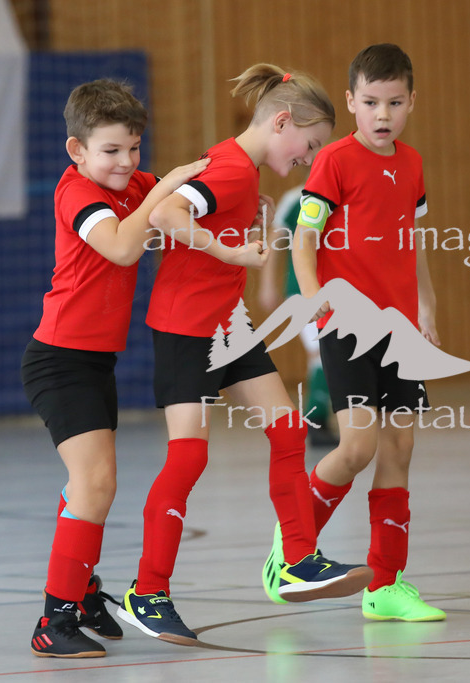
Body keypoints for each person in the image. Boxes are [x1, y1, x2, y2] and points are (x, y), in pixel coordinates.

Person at [116, 64, 374, 647]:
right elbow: (163, 215)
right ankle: (147, 592)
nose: (310, 158)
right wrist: (231, 253)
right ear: (282, 121)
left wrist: (232, 232)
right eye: (309, 145)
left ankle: (297, 561)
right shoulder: (232, 169)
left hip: (227, 324)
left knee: (287, 433)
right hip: (187, 327)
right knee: (187, 460)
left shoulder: (239, 168)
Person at [21, 79, 210, 658]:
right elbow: (125, 248)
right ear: (78, 151)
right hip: (58, 363)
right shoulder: (77, 193)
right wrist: (169, 186)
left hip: (96, 363)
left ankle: (81, 591)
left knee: (93, 486)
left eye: (134, 149)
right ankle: (54, 621)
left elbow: (190, 191)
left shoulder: (136, 186)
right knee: (95, 482)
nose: (127, 162)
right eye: (111, 151)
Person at [266, 43, 446, 622]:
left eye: (394, 102)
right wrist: (316, 298)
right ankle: (290, 549)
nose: (383, 114)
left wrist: (428, 308)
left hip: (400, 330)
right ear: (351, 101)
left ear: (412, 102)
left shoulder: (413, 165)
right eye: (371, 102)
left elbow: (411, 246)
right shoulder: (335, 161)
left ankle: (385, 585)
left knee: (400, 449)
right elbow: (303, 238)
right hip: (348, 326)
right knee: (356, 448)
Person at [258, 175, 340, 449]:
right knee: (321, 351)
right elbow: (276, 240)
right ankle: (315, 421)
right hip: (302, 290)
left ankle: (319, 419)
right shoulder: (295, 199)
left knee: (331, 354)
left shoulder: (345, 199)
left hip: (342, 288)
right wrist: (269, 285)